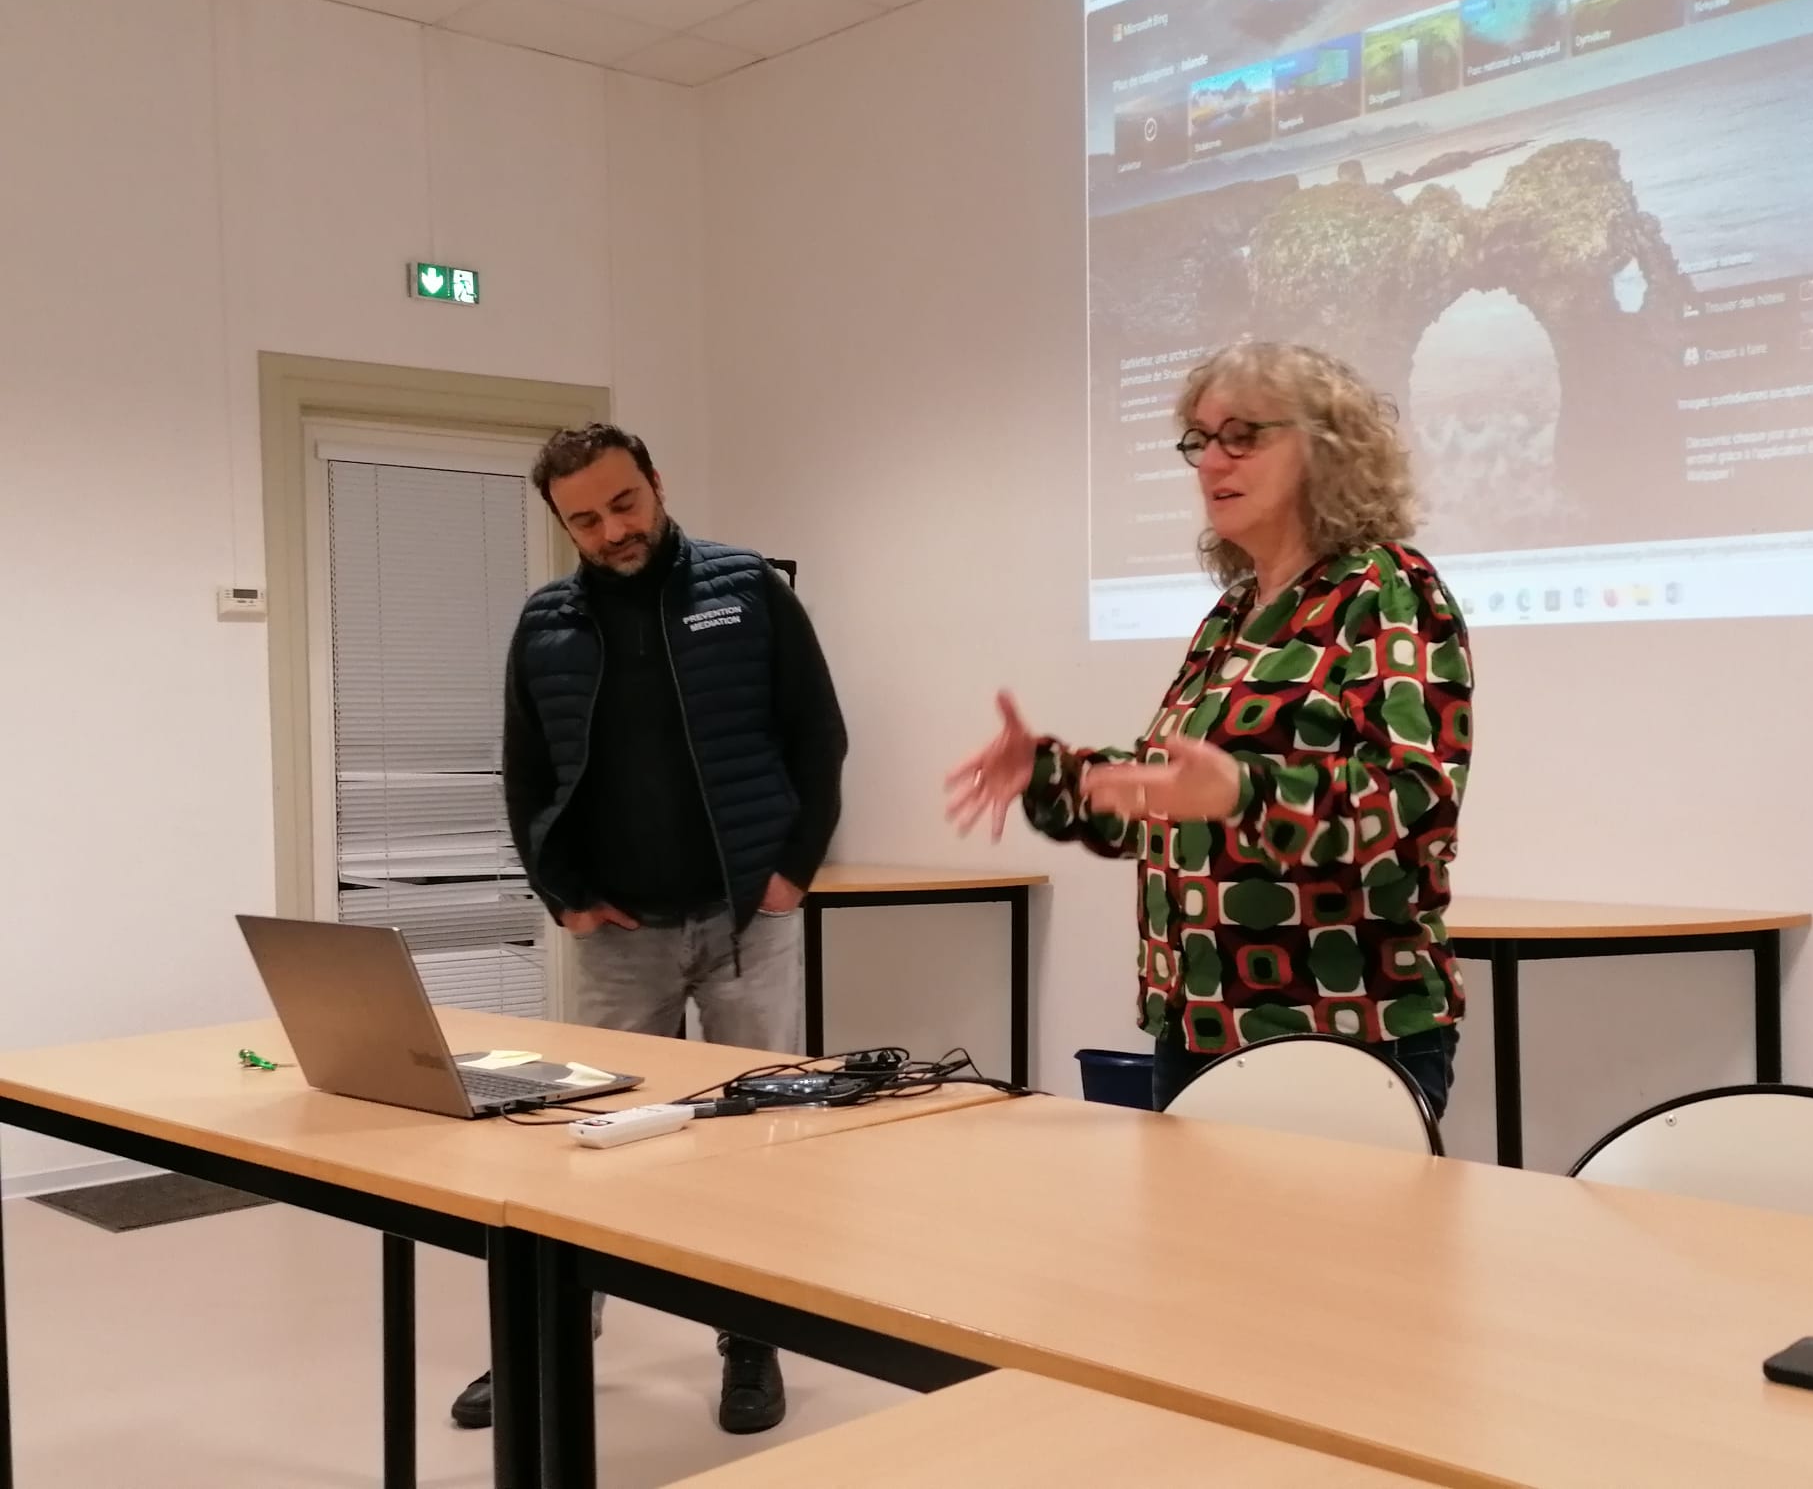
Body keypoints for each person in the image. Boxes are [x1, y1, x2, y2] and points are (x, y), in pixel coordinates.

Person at [947, 343, 1471, 1113]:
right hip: (1197, 1026)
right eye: (1200, 440)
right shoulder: (1235, 613)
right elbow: (1174, 797)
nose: (1212, 462)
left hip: (1338, 1030)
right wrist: (1053, 774)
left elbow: (1414, 805)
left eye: (1242, 436)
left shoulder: (1387, 588)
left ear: (1326, 448)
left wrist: (1244, 794)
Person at [451, 423, 847, 1435]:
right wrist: (563, 893)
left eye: (624, 503)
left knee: (756, 1138)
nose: (612, 530)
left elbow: (818, 736)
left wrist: (791, 874)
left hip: (745, 920)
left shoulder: (746, 589)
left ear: (656, 484)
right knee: (590, 1140)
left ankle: (750, 1340)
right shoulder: (546, 623)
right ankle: (554, 1335)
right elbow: (526, 770)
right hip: (617, 934)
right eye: (584, 519)